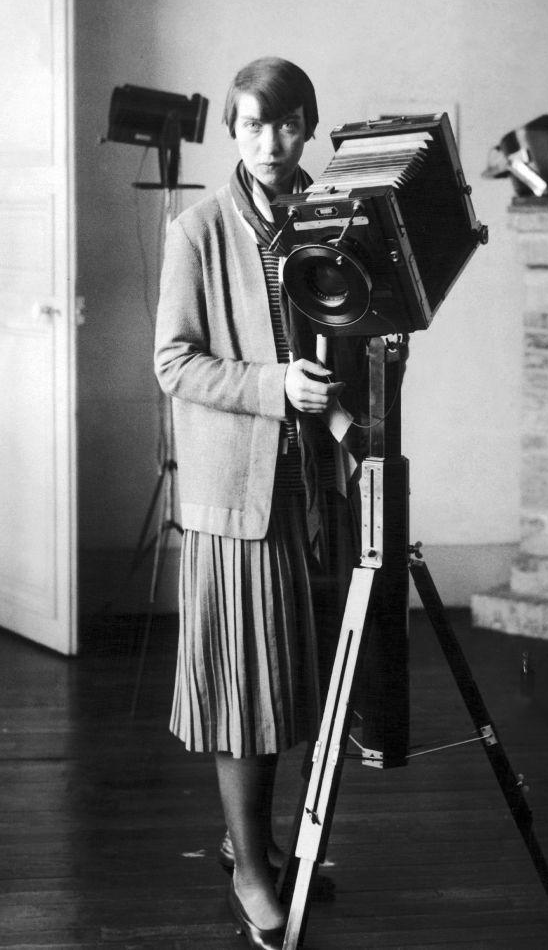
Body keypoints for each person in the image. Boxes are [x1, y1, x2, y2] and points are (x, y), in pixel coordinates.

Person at [154, 56, 355, 950]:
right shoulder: (195, 229)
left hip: (322, 485)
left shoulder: (339, 218)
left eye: (284, 123)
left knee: (303, 680)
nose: (270, 142)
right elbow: (173, 363)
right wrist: (278, 386)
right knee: (246, 686)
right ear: (231, 134)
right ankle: (248, 868)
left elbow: (361, 330)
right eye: (250, 126)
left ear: (310, 123)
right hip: (236, 494)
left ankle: (264, 844)